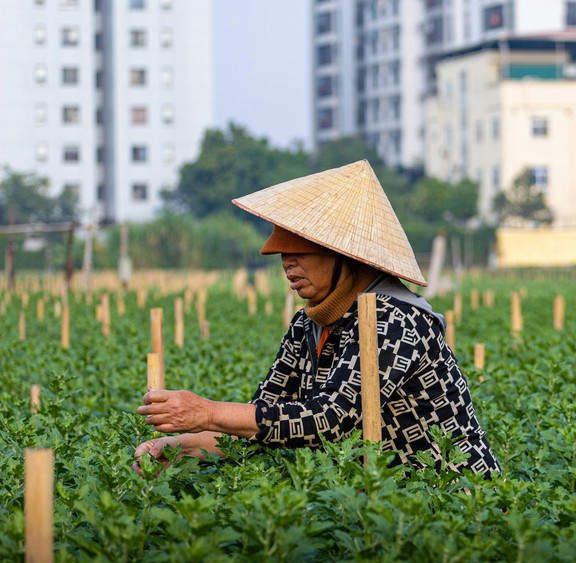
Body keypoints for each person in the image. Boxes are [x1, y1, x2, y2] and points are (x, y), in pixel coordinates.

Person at [135, 160, 500, 477]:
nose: (287, 264)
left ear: (344, 255)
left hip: (452, 499)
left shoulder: (395, 319)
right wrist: (175, 448)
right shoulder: (307, 325)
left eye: (300, 252)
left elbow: (333, 417)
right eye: (282, 254)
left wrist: (207, 412)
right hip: (376, 502)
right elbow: (263, 422)